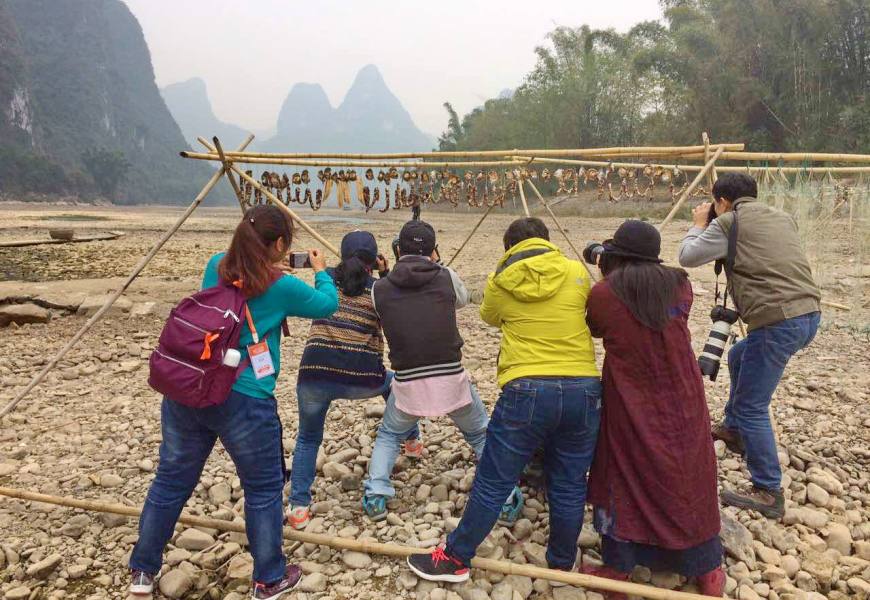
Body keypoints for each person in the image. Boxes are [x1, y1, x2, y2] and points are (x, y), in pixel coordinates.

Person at [129, 205, 339, 600]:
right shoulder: (283, 287)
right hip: (244, 398)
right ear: (280, 244)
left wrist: (267, 266)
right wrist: (321, 271)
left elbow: (235, 291)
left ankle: (142, 571)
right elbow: (327, 304)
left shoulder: (216, 265)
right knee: (262, 488)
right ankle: (269, 578)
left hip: (191, 387)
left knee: (170, 480)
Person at [408, 217, 600, 582]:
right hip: (584, 386)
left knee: (494, 478)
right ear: (547, 240)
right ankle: (562, 563)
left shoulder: (501, 280)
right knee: (570, 481)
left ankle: (456, 557)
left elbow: (489, 316)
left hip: (527, 387)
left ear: (509, 248)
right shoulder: (576, 271)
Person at [583, 220, 723, 598]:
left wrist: (606, 274)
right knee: (690, 471)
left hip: (632, 393)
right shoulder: (680, 285)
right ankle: (707, 566)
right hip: (683, 390)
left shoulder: (604, 293)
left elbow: (596, 328)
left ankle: (619, 565)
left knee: (622, 470)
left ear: (616, 256)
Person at [679, 173, 821, 519]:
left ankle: (768, 489)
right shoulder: (781, 217)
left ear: (722, 202)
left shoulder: (729, 221)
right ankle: (733, 429)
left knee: (752, 407)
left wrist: (699, 224)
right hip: (809, 315)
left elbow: (688, 256)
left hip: (777, 322)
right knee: (739, 354)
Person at [287, 230, 422, 530]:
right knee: (396, 384)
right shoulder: (379, 289)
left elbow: (326, 276)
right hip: (362, 377)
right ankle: (412, 440)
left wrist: (319, 266)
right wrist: (385, 274)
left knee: (308, 438)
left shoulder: (326, 279)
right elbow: (396, 309)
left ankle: (298, 506)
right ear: (373, 260)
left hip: (314, 374)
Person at [361, 220, 489, 521]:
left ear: (398, 250)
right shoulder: (445, 275)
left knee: (389, 435)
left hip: (409, 381)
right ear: (433, 250)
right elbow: (461, 300)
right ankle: (505, 495)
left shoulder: (379, 288)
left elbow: (383, 308)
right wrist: (439, 267)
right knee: (480, 434)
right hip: (451, 378)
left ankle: (376, 494)